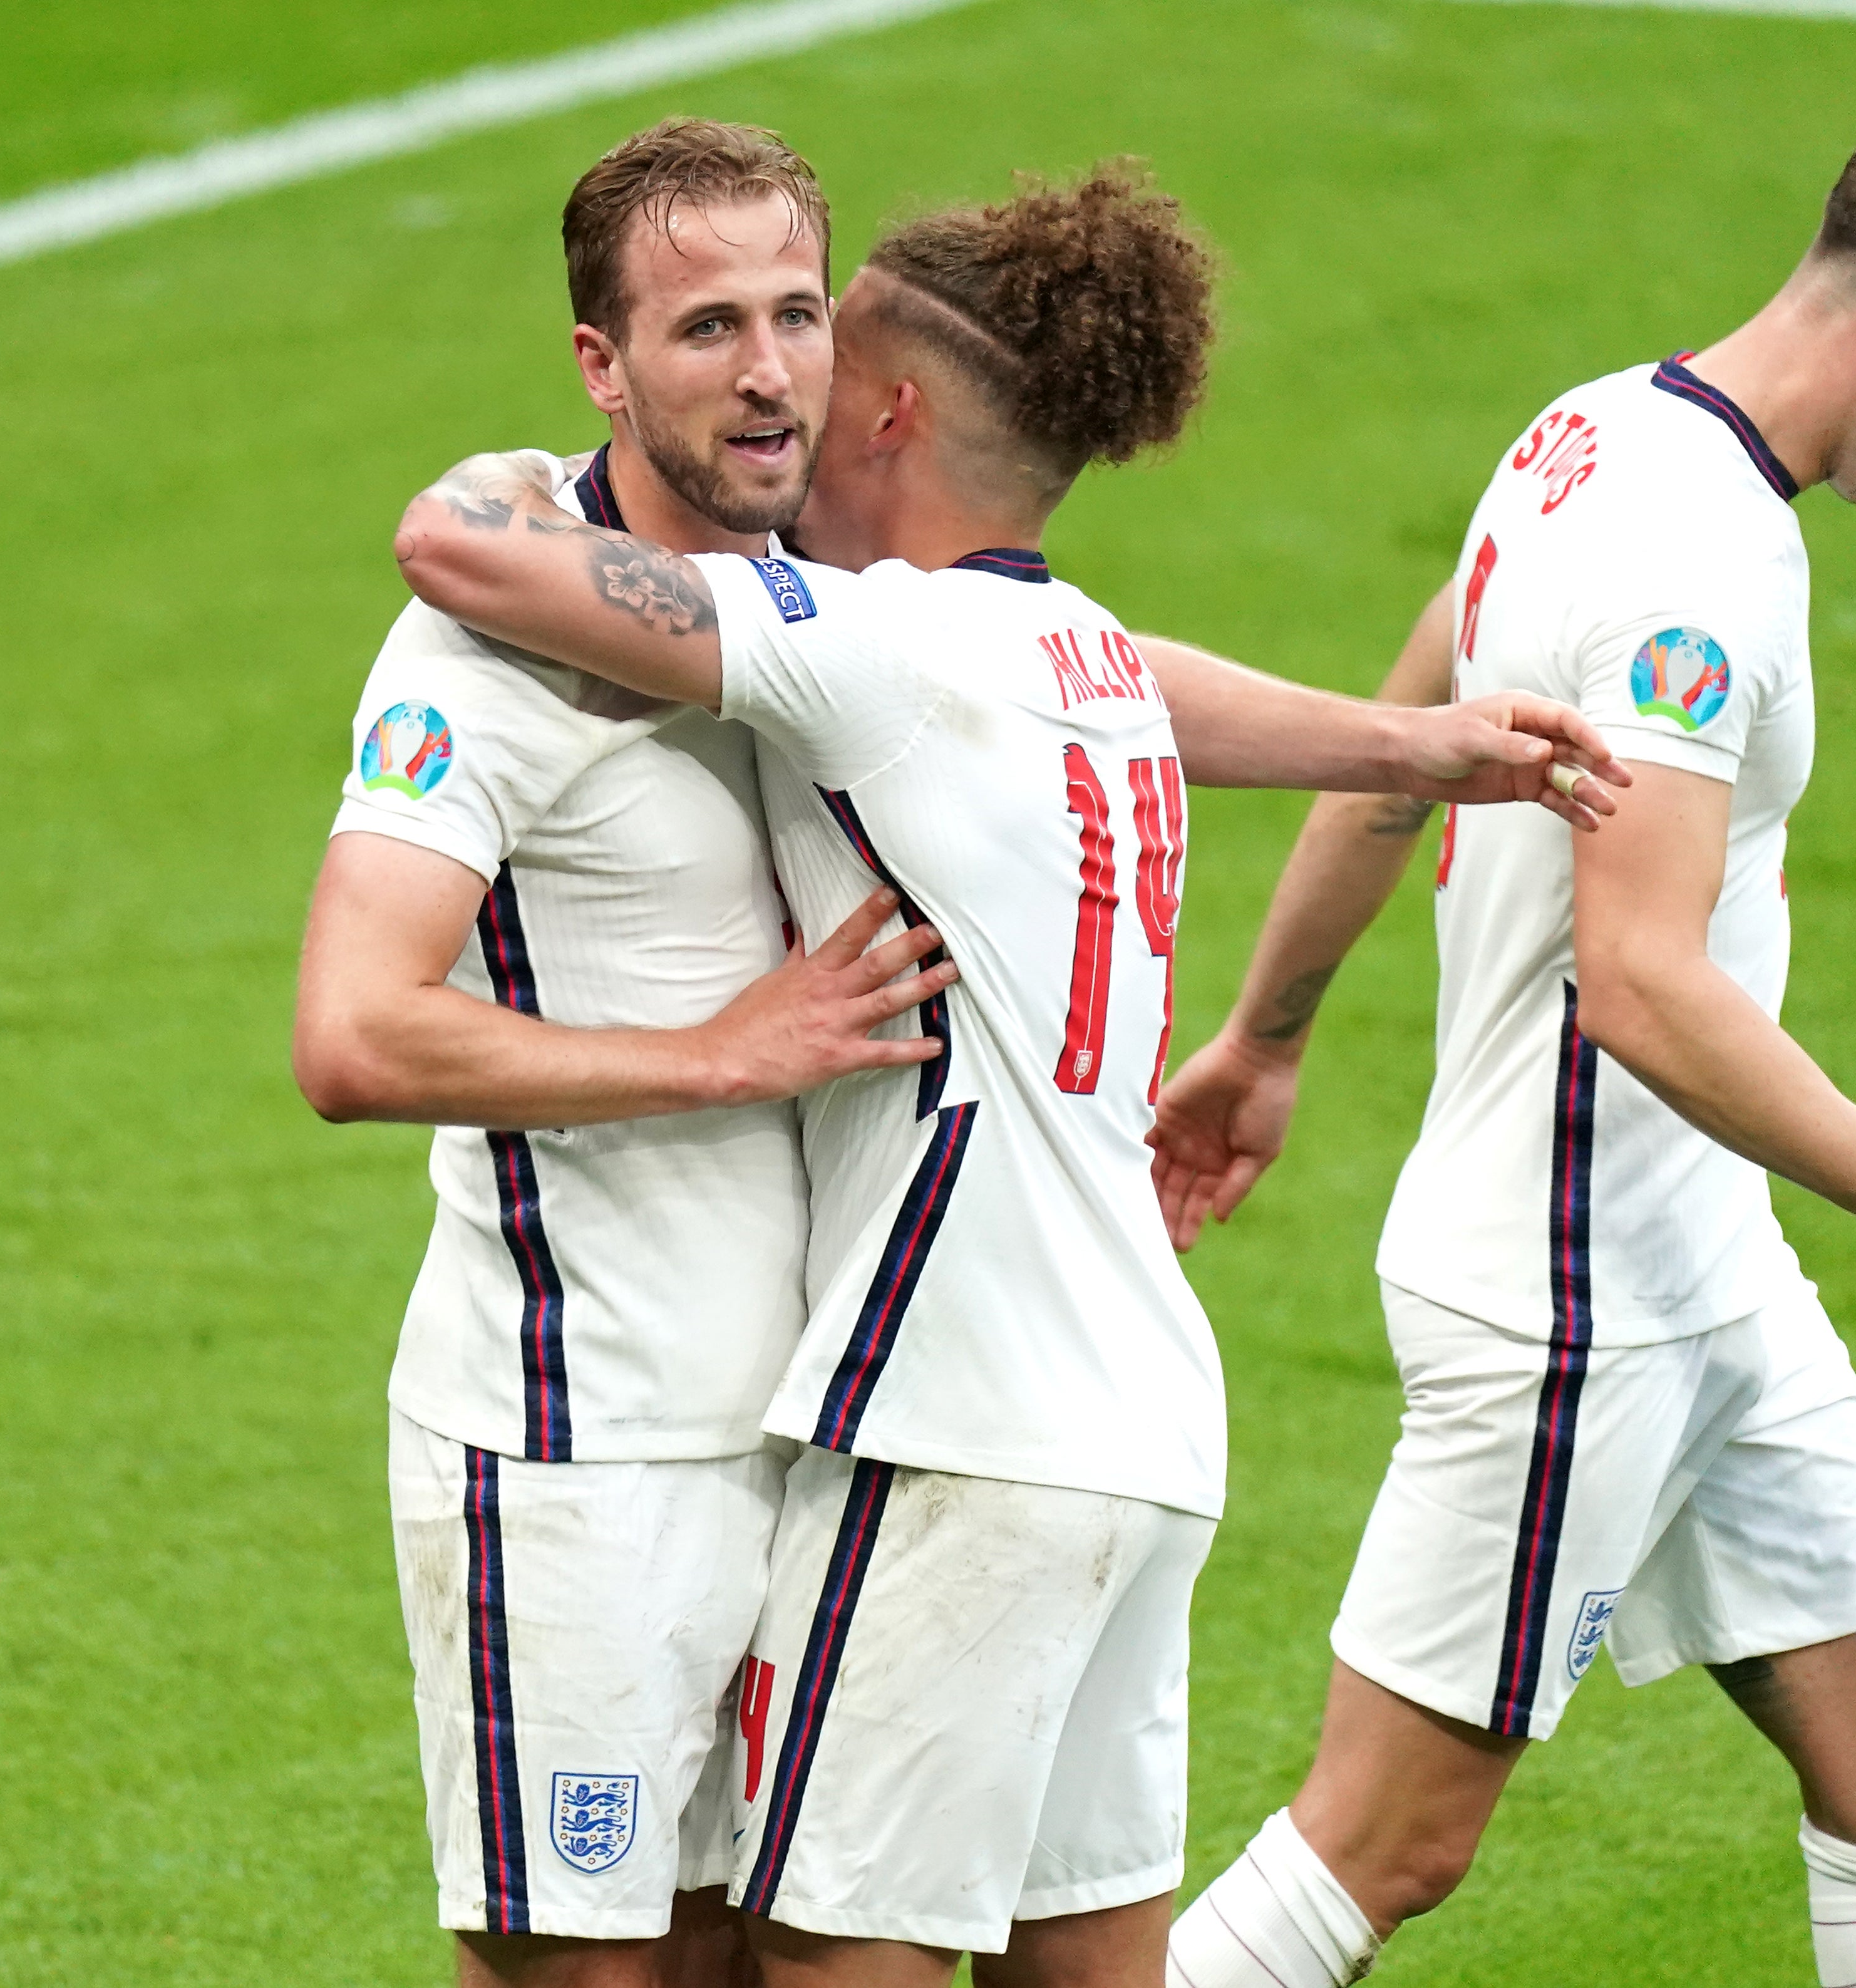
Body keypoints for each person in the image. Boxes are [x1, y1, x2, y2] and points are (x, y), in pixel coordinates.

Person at [389, 166, 1627, 1988]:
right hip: (1141, 1419)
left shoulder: (877, 654)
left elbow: (469, 562)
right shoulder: (1066, 654)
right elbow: (1147, 677)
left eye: (818, 335)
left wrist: (482, 480)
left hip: (954, 1428)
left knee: (826, 1964)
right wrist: (1414, 743)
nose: (784, 390)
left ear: (890, 405)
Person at [1148, 112, 1856, 1988]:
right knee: (1384, 1844)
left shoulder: (1589, 425)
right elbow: (1644, 981)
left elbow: (1409, 727)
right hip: (1573, 1295)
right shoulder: (1699, 558)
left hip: (1701, 1270)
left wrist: (1264, 1033)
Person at [292, 118, 952, 1988]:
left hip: (816, 1436)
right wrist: (723, 1054)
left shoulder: (815, 591)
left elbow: (1089, 669)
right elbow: (352, 1031)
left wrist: (1410, 750)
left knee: (774, 1963)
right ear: (602, 364)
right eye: (709, 328)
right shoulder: (477, 647)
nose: (769, 375)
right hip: (582, 1457)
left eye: (801, 315)